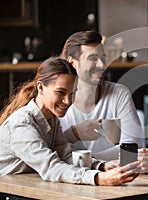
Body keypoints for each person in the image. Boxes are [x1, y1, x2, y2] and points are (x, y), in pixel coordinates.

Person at [0, 57, 139, 186]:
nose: (68, 101)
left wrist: (100, 166)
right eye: (60, 92)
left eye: (72, 94)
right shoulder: (21, 125)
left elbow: (65, 155)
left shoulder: (52, 118)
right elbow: (51, 167)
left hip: (30, 187)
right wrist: (98, 178)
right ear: (40, 87)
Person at [59, 30, 144, 165]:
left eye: (103, 58)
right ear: (72, 62)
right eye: (93, 58)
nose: (102, 65)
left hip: (115, 177)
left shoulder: (119, 94)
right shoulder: (58, 102)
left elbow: (132, 147)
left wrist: (86, 160)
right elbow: (52, 152)